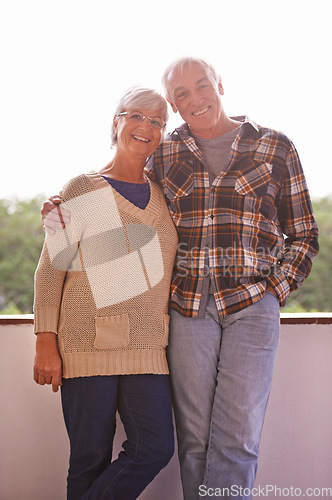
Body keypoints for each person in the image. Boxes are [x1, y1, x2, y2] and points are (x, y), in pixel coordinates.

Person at [42, 58, 319, 500]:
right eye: (182, 93)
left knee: (238, 437)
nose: (195, 98)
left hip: (250, 304)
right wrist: (63, 212)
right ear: (174, 102)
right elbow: (118, 197)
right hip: (186, 307)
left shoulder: (275, 146)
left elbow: (303, 233)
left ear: (220, 85)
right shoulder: (166, 152)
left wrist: (274, 289)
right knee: (190, 441)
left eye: (202, 85)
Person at [33, 86, 178, 500]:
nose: (146, 127)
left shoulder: (165, 196)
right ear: (117, 122)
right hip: (84, 343)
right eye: (137, 115)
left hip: (148, 346)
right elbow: (51, 269)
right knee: (89, 458)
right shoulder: (84, 188)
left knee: (154, 448)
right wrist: (45, 341)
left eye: (157, 121)